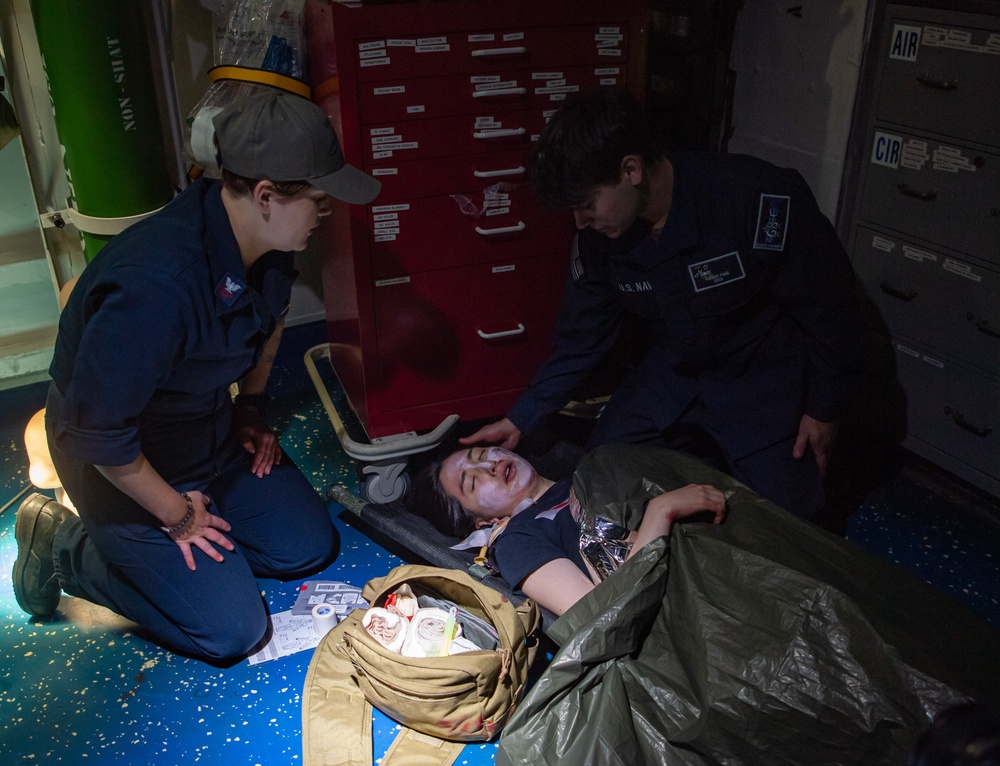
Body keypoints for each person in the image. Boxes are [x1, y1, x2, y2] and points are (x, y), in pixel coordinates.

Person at [11, 91, 381, 663]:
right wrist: (178, 515)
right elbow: (101, 434)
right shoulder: (157, 284)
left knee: (307, 547)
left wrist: (249, 411)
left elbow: (267, 326)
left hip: (203, 426)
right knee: (231, 629)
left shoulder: (268, 244)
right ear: (265, 196)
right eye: (318, 201)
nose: (325, 213)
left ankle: (193, 554)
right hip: (119, 460)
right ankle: (63, 544)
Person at [461, 88, 870, 519]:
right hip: (676, 371)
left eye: (586, 205)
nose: (581, 222)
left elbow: (833, 310)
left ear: (631, 170)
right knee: (603, 468)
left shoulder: (754, 197)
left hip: (758, 373)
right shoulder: (601, 237)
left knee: (795, 519)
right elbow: (582, 336)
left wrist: (825, 407)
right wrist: (521, 419)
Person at [431, 445, 726, 616]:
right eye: (472, 481)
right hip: (697, 606)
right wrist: (662, 511)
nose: (489, 464)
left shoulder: (587, 470)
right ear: (483, 523)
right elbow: (603, 616)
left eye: (482, 452)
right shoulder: (517, 541)